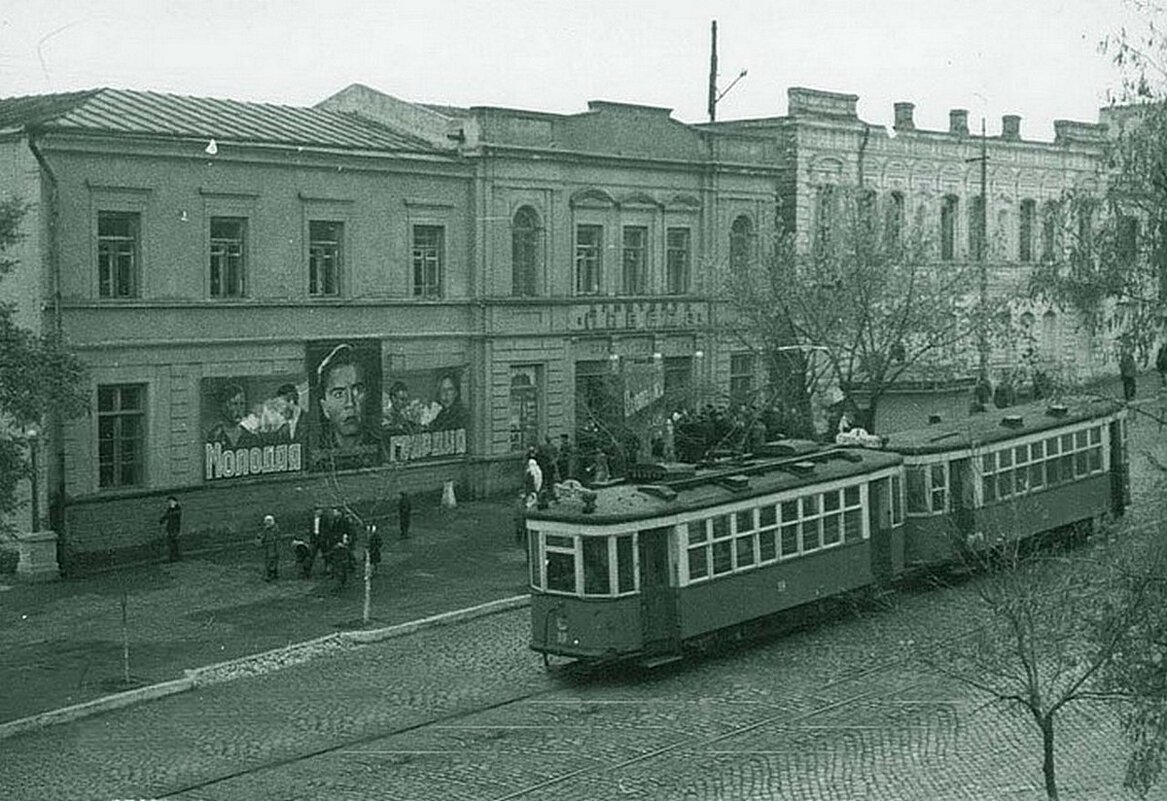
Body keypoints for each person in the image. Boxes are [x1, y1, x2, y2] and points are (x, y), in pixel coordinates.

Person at [315, 343, 380, 468]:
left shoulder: (383, 451)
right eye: (339, 394)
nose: (350, 403)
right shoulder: (317, 458)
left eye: (357, 391)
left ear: (368, 397)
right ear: (325, 408)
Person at [206, 382, 260, 449]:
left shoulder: (251, 437)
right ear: (223, 407)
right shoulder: (215, 436)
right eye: (234, 404)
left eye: (242, 404)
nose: (239, 409)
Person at [257, 514, 280, 582]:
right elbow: (262, 537)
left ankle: (272, 574)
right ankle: (271, 574)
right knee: (269, 561)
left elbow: (276, 538)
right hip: (268, 547)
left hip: (274, 547)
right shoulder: (266, 530)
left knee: (273, 560)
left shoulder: (274, 529)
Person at [159, 496, 182, 563]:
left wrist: (164, 518)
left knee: (173, 542)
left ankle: (175, 556)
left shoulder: (177, 509)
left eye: (171, 501)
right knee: (172, 543)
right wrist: (162, 520)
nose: (169, 503)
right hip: (171, 527)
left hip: (174, 528)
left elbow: (171, 515)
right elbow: (167, 515)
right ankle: (173, 556)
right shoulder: (171, 509)